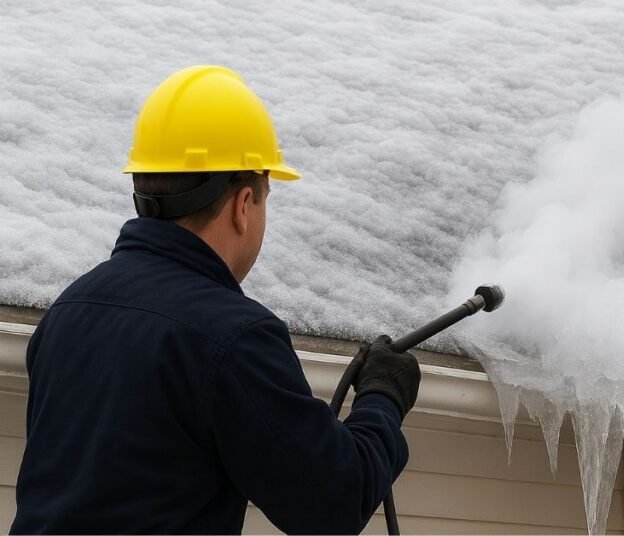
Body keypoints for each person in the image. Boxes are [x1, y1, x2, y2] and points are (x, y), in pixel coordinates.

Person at [10, 65, 420, 534]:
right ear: (244, 205)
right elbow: (334, 501)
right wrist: (383, 399)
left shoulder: (71, 309)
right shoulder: (232, 339)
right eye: (266, 199)